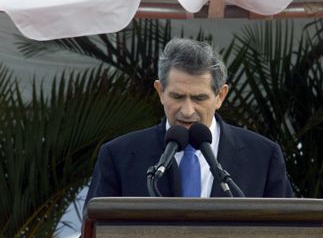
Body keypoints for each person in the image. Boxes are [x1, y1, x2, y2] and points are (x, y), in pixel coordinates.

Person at [85, 38, 293, 204]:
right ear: (160, 91)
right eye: (177, 97)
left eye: (199, 98)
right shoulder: (118, 155)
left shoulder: (263, 155)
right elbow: (95, 227)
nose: (187, 111)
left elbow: (288, 229)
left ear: (220, 96)